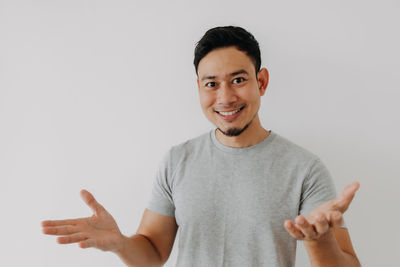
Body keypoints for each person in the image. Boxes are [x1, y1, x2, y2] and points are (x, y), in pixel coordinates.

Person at [41, 26, 361, 267]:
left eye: (238, 80)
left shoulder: (304, 168)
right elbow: (153, 252)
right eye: (212, 84)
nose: (225, 98)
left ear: (261, 81)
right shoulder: (178, 160)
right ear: (199, 87)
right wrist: (120, 244)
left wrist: (319, 242)